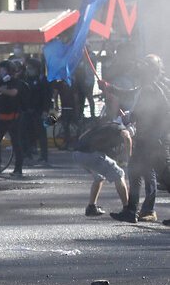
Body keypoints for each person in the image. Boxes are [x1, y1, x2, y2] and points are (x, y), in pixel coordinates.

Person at [106, 55, 170, 223]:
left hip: (155, 140)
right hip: (145, 139)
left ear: (151, 70)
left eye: (144, 66)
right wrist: (110, 88)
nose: (139, 69)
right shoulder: (147, 86)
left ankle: (135, 210)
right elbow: (130, 95)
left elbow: (152, 112)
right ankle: (131, 210)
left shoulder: (154, 89)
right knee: (134, 171)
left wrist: (130, 117)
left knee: (165, 176)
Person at [72, 120, 131, 217]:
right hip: (90, 154)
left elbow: (82, 136)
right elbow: (127, 136)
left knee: (99, 177)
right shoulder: (121, 127)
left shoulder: (105, 125)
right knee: (119, 174)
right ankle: (127, 209)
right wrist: (130, 157)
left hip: (77, 154)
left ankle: (91, 207)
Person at [0, 60, 26, 177]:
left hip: (14, 117)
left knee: (16, 143)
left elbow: (13, 93)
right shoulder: (0, 82)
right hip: (1, 116)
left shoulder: (16, 82)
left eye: (3, 69)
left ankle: (18, 168)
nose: (0, 72)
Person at [23, 58, 52, 166]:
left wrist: (45, 110)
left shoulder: (42, 80)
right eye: (27, 68)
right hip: (28, 110)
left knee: (41, 134)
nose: (28, 70)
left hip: (39, 111)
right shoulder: (26, 79)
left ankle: (44, 156)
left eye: (30, 68)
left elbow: (47, 97)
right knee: (27, 133)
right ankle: (28, 153)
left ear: (36, 69)